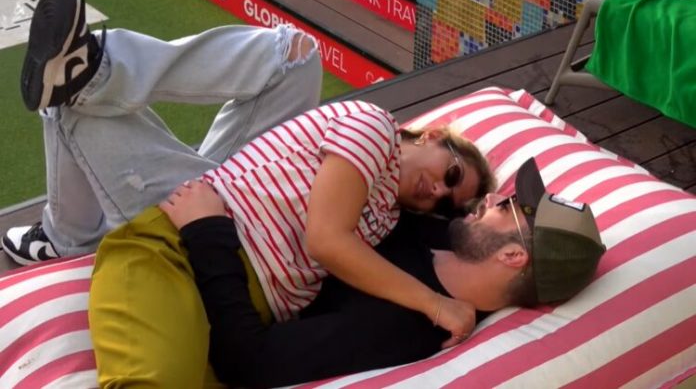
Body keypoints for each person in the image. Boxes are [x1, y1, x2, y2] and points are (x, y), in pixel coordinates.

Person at [4, 0, 495, 348]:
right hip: (227, 184)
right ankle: (96, 70)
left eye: (445, 203)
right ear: (433, 136)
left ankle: (70, 227)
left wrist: (452, 275)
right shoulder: (372, 131)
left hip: (204, 219)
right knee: (297, 55)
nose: (437, 192)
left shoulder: (387, 214)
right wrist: (437, 301)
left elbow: (331, 243)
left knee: (73, 107)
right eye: (451, 175)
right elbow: (328, 238)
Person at [91, 156, 607, 387]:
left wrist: (208, 233)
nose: (489, 200)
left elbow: (247, 361)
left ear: (513, 256)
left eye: (508, 208)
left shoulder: (401, 329)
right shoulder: (437, 233)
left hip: (185, 251)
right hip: (229, 192)